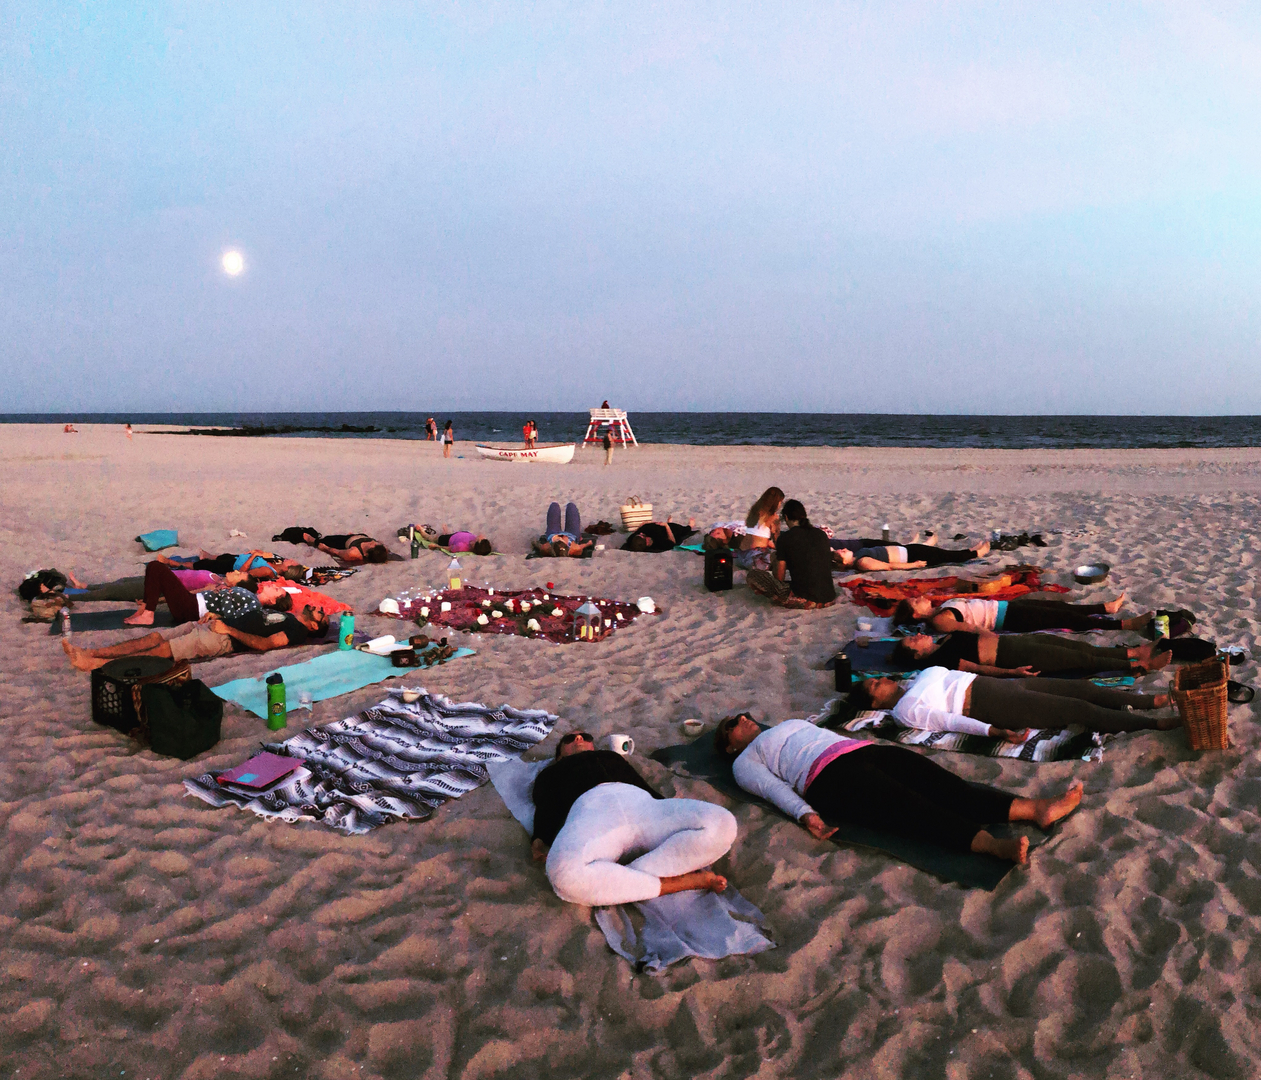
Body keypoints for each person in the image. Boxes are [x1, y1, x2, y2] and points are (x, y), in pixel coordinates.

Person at [716, 714, 1083, 865]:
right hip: (826, 780)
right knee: (911, 808)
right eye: (733, 724)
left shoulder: (788, 723)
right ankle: (993, 846)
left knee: (946, 785)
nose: (744, 719)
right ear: (730, 744)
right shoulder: (743, 762)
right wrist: (807, 815)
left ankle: (1035, 810)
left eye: (744, 714)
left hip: (862, 752)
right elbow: (773, 791)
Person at [531, 730, 736, 905]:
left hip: (642, 805)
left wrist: (668, 809)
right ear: (559, 755)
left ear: (592, 744)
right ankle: (676, 883)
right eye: (569, 739)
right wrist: (539, 838)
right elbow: (545, 806)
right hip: (592, 810)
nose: (578, 739)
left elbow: (643, 785)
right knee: (562, 873)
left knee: (723, 823)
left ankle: (626, 877)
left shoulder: (611, 757)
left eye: (584, 736)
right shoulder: (551, 772)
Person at [850, 667, 1177, 737]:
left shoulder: (914, 679)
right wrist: (994, 732)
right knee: (1078, 710)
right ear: (875, 704)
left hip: (997, 684)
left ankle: (1151, 701)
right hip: (986, 704)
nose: (881, 679)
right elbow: (950, 723)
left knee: (1080, 685)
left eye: (876, 676)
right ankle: (1154, 723)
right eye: (875, 684)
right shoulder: (906, 711)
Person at [63, 603, 328, 671]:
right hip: (214, 625)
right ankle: (94, 653)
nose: (318, 608)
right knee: (152, 638)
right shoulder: (290, 616)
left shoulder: (297, 630)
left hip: (221, 639)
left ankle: (98, 665)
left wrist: (229, 631)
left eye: (321, 614)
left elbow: (266, 644)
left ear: (314, 628)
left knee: (161, 651)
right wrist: (218, 616)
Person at [890, 630, 1171, 677]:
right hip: (1010, 658)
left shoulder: (946, 639)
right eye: (913, 641)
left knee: (1078, 647)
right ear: (916, 655)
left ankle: (1136, 651)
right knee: (1080, 660)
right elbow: (977, 669)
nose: (917, 635)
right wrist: (1011, 673)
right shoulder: (941, 659)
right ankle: (1139, 665)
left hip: (1017, 643)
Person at [893, 594, 1154, 634]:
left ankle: (1105, 608)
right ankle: (1124, 625)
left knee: (1059, 608)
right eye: (915, 601)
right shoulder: (939, 619)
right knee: (1064, 618)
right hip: (1008, 619)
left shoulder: (941, 607)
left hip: (1006, 608)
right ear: (916, 615)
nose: (920, 597)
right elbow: (972, 630)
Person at [746, 499, 836, 608]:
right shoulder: (821, 535)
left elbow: (779, 578)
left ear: (786, 518)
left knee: (753, 575)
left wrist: (775, 561)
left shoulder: (785, 538)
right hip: (829, 596)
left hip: (806, 598)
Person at [120, 562, 263, 627]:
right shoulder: (220, 586)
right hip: (190, 601)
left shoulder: (231, 592)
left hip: (191, 608)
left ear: (236, 585)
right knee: (153, 566)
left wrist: (218, 615)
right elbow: (193, 593)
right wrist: (160, 600)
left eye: (239, 575)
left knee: (157, 567)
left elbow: (236, 615)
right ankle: (144, 610)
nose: (236, 572)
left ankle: (147, 615)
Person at [834, 539, 991, 571]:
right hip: (911, 557)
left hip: (909, 549)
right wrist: (914, 565)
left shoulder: (858, 554)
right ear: (845, 563)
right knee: (946, 556)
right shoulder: (862, 562)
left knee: (943, 553)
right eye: (841, 553)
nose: (842, 549)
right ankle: (977, 553)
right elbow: (889, 566)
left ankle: (971, 550)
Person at [734, 486, 784, 571]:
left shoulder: (753, 512)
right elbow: (776, 540)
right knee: (780, 558)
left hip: (740, 556)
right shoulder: (773, 517)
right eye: (780, 502)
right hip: (755, 557)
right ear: (776, 502)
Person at [622, 518, 697, 552]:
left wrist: (641, 526)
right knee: (684, 531)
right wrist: (666, 526)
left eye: (639, 534)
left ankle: (669, 522)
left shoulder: (631, 540)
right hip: (670, 530)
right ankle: (690, 525)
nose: (641, 533)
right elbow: (673, 542)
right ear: (647, 542)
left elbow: (636, 533)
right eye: (643, 536)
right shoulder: (660, 543)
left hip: (656, 525)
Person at [311, 533, 390, 564]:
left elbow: (336, 552)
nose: (374, 542)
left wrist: (325, 548)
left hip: (341, 542)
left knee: (319, 541)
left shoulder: (353, 553)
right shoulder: (381, 548)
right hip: (357, 537)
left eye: (373, 545)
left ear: (366, 553)